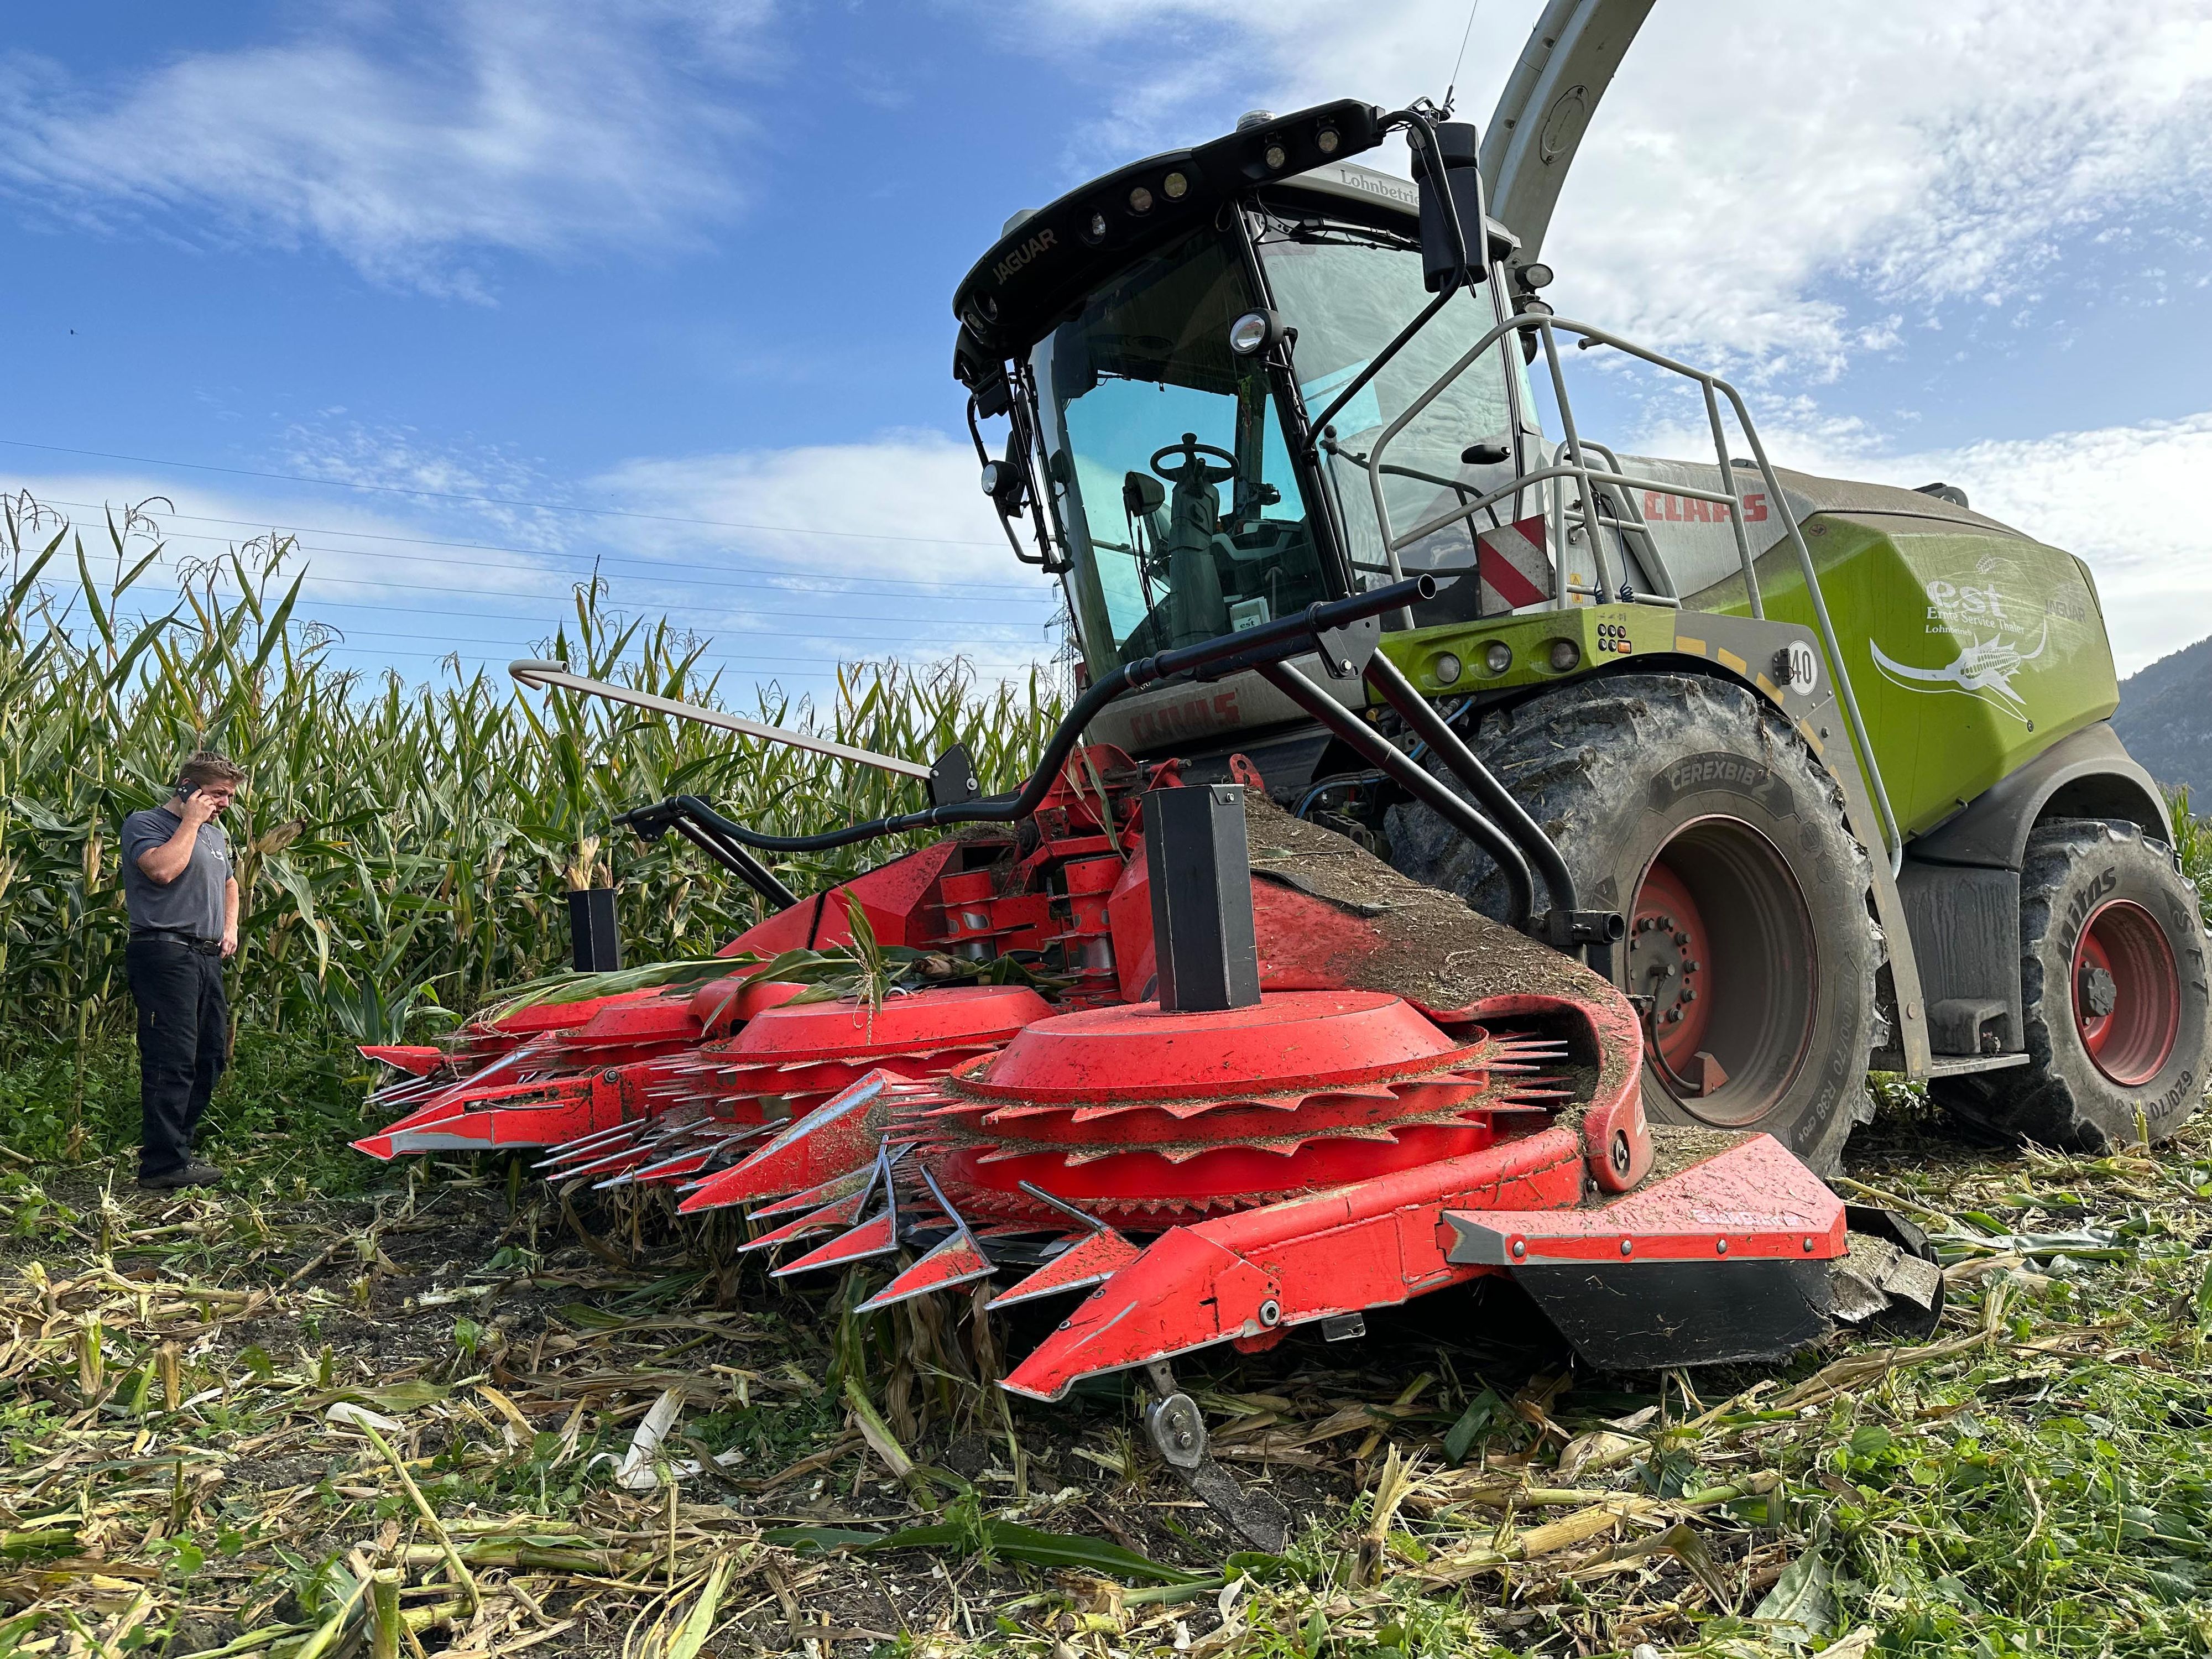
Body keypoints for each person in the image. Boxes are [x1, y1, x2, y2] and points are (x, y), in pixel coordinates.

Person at [119, 752, 244, 1190]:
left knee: (209, 1057)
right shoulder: (146, 823)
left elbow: (230, 882)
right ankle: (161, 1165)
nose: (225, 802)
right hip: (164, 953)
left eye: (229, 795)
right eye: (217, 793)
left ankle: (179, 1149)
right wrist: (191, 822)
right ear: (188, 787)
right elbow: (160, 871)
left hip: (206, 957)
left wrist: (229, 927)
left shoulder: (216, 837)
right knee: (170, 1059)